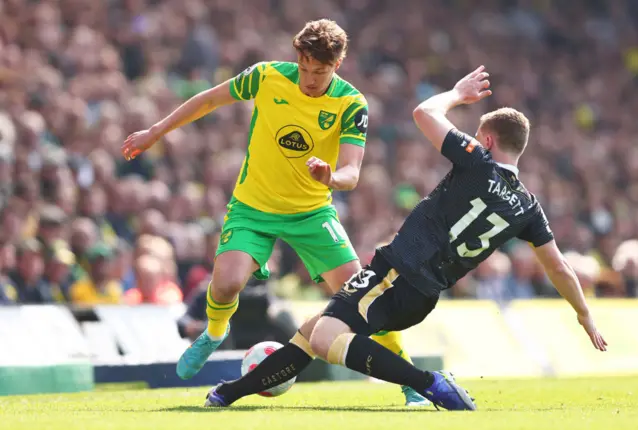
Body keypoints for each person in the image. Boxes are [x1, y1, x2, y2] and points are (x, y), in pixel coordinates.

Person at [202, 66, 608, 411]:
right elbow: (558, 265)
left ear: (485, 140)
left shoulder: (477, 162)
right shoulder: (528, 207)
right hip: (424, 295)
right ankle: (226, 395)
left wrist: (457, 94)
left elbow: (424, 111)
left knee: (326, 336)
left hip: (396, 273)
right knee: (313, 331)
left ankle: (429, 384)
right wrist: (584, 314)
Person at [121, 19, 429, 406]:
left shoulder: (351, 104)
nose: (310, 79)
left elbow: (352, 172)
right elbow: (209, 99)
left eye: (320, 71)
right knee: (227, 284)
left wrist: (330, 176)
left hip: (312, 213)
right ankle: (214, 332)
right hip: (254, 207)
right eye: (304, 68)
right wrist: (155, 131)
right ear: (296, 58)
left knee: (365, 300)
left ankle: (411, 382)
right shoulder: (266, 76)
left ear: (337, 64)